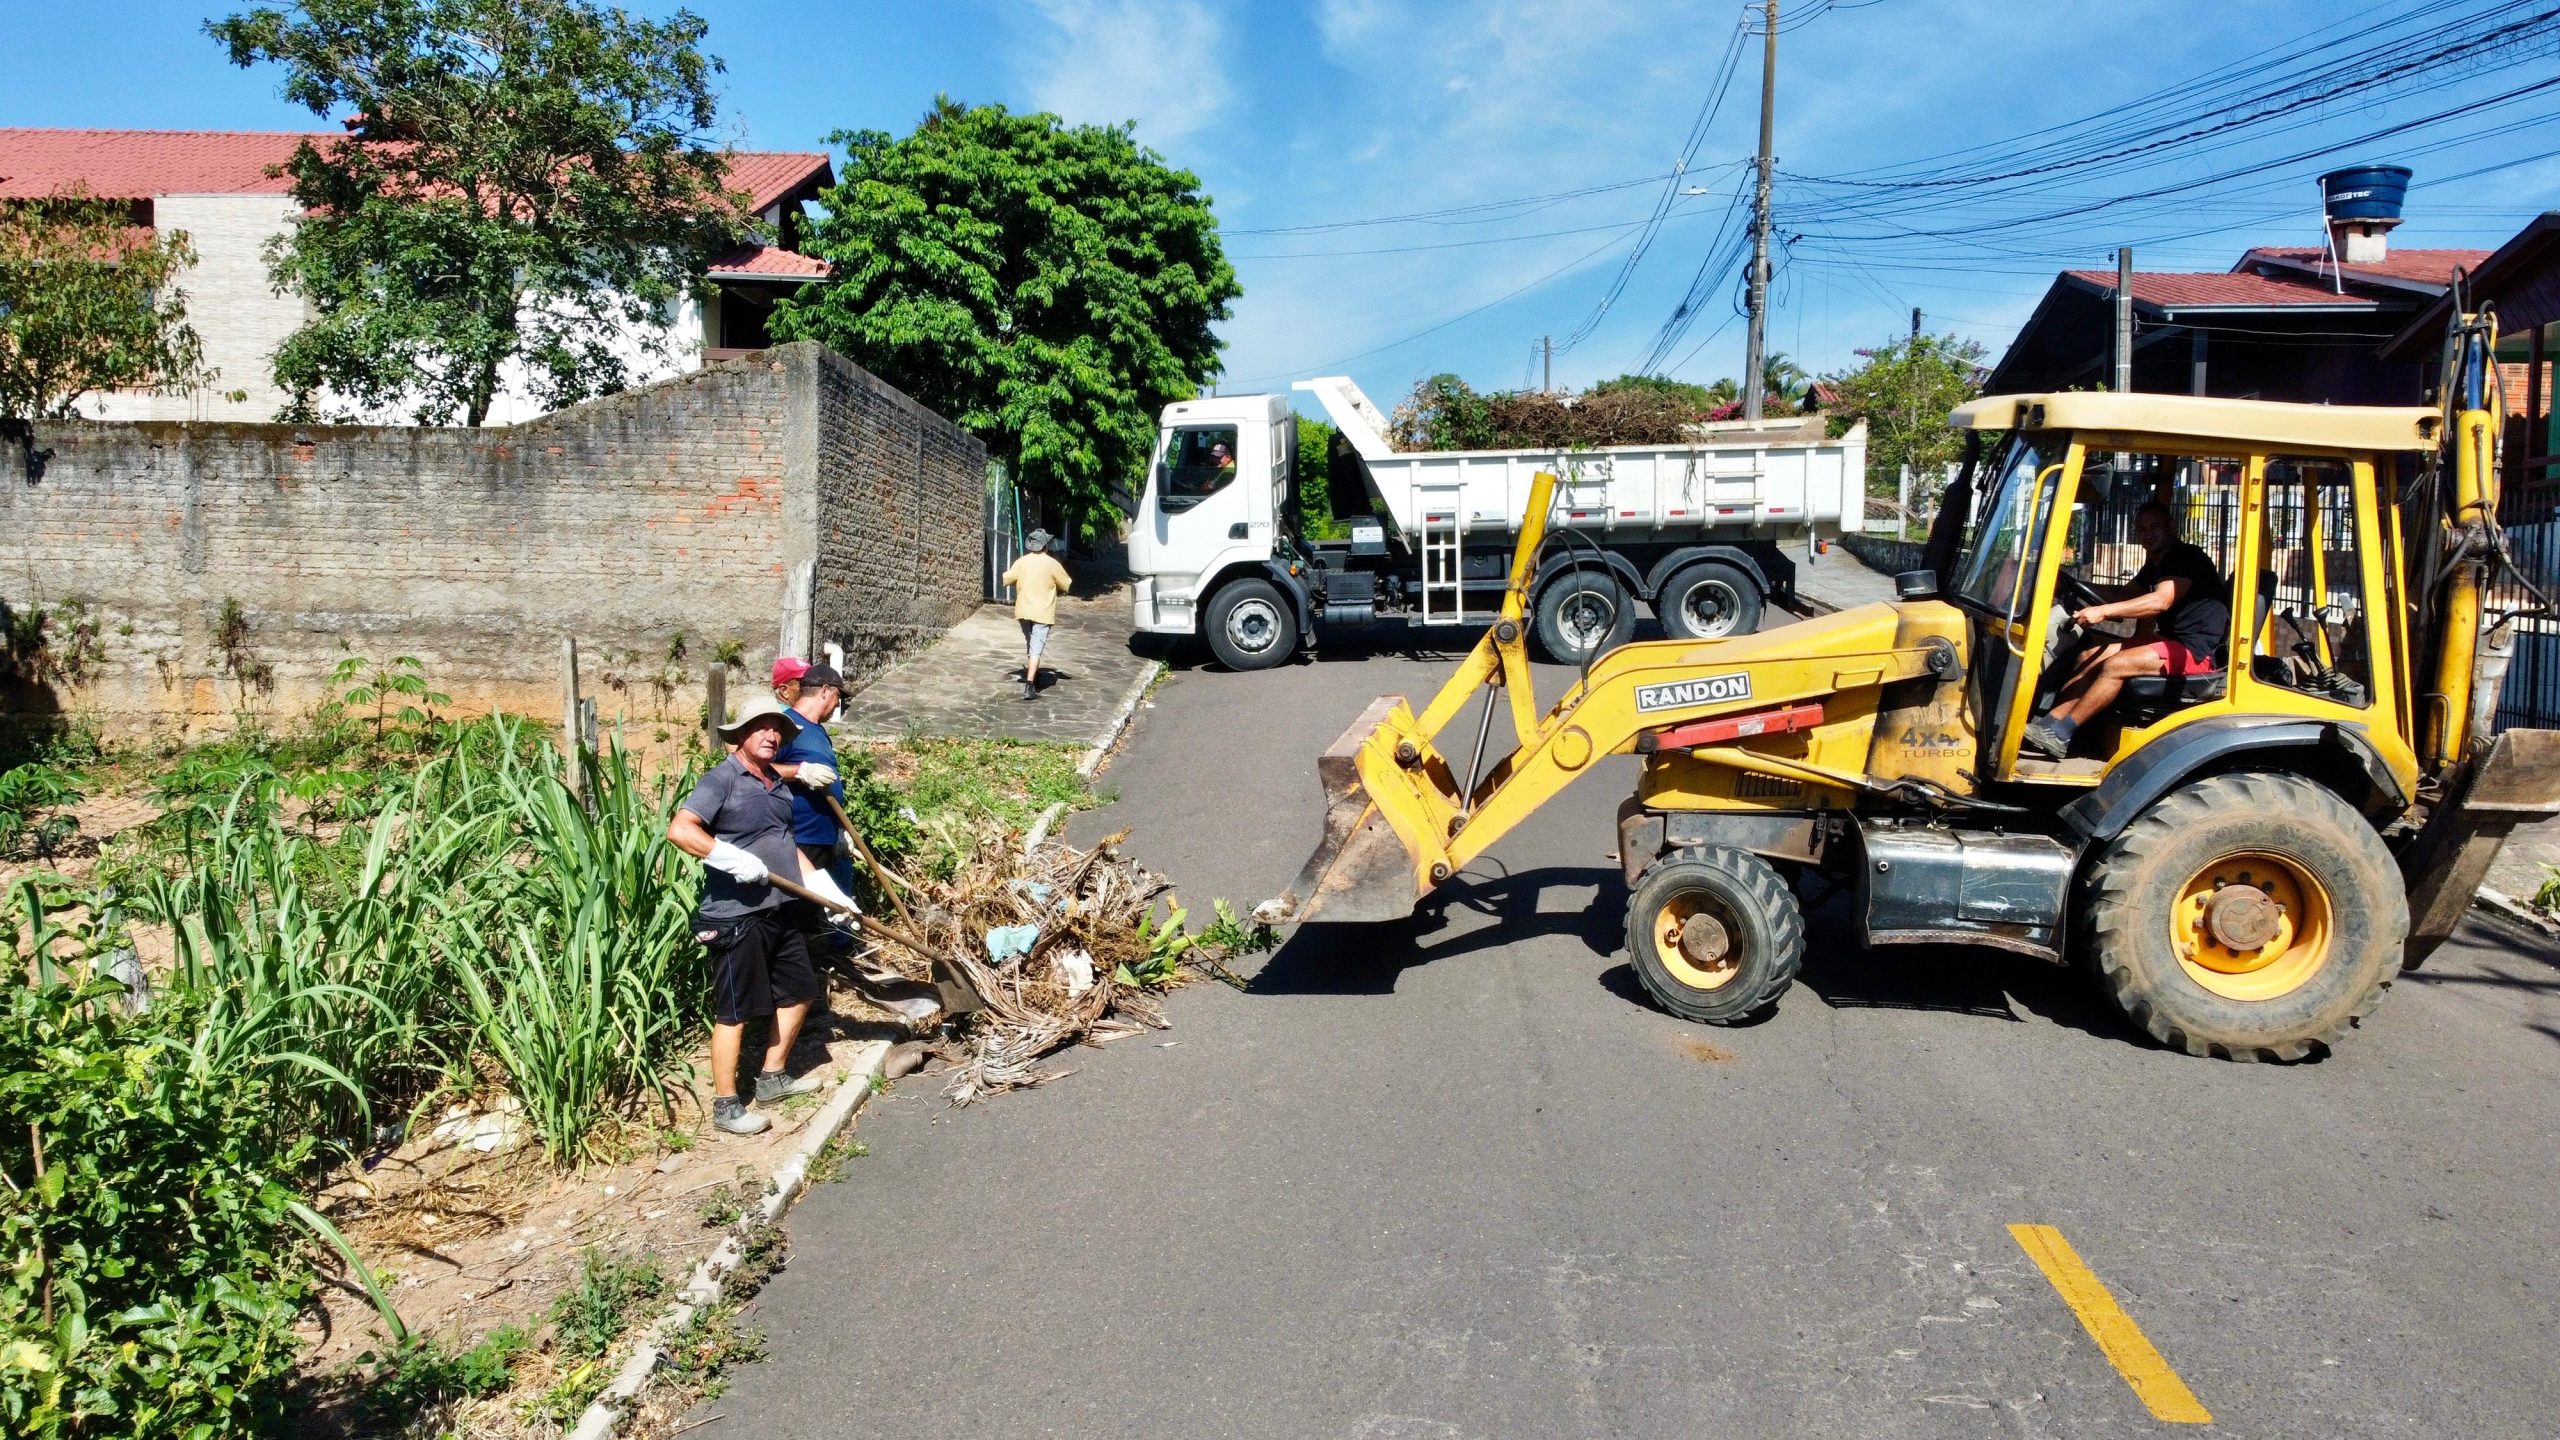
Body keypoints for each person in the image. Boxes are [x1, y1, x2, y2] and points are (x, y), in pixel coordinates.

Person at [667, 695, 827, 1136]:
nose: (772, 735)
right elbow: (680, 830)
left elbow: (784, 843)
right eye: (762, 727)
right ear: (741, 734)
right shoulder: (722, 779)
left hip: (780, 907)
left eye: (778, 729)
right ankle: (725, 1105)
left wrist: (825, 890)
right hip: (736, 915)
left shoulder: (775, 781)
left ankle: (773, 1077)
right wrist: (728, 857)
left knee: (799, 994)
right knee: (734, 1011)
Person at [2022, 501, 2232, 759]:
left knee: (2116, 665)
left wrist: (2103, 611)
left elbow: (2160, 600)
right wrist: (2072, 584)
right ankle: (2048, 725)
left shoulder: (2185, 557)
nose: (2148, 534)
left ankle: (2063, 733)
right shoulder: (2158, 562)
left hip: (2195, 652)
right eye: (2142, 529)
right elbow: (2126, 593)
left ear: (2171, 527)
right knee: (2088, 656)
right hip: (2170, 641)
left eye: (2155, 527)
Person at [773, 663, 856, 923]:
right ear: (824, 691)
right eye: (837, 697)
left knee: (822, 913)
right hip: (799, 839)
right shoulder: (786, 726)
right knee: (791, 915)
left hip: (824, 838)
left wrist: (839, 830)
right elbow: (758, 769)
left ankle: (832, 955)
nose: (837, 704)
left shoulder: (819, 732)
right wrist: (799, 771)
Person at [1001, 529, 1073, 700]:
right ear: (1045, 546)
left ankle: (1033, 672)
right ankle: (1030, 685)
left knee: (1031, 643)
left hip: (1024, 610)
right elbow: (1066, 584)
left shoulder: (1022, 562)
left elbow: (1007, 579)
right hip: (1042, 611)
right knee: (1036, 649)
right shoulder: (1051, 563)